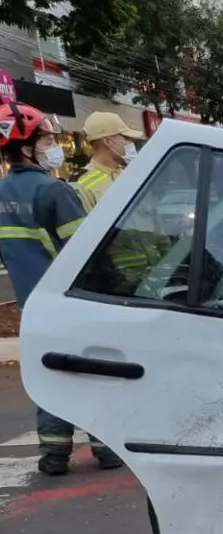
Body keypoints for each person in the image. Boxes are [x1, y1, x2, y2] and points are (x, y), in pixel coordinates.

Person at [0, 102, 122, 475]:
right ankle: (106, 449)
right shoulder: (55, 192)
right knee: (93, 371)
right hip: (71, 300)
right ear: (26, 148)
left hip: (32, 304)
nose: (54, 144)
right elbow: (85, 253)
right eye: (48, 138)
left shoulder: (2, 193)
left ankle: (54, 454)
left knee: (50, 374)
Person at [74, 111, 141, 211]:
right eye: (126, 138)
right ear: (108, 141)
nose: (130, 143)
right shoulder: (80, 185)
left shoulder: (127, 174)